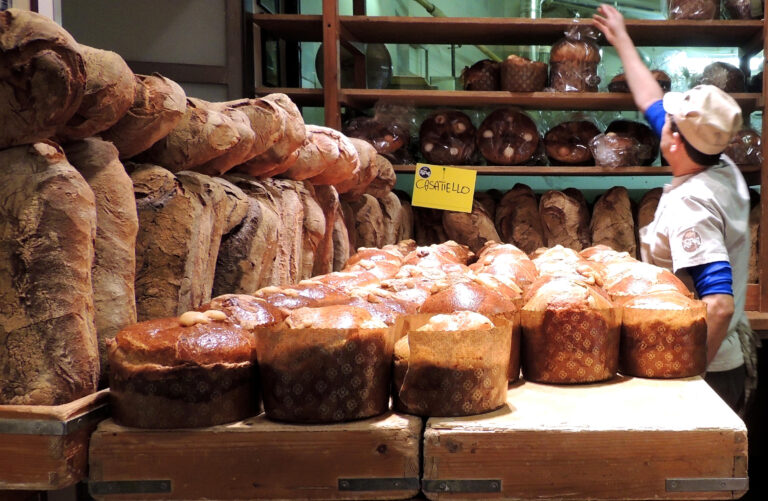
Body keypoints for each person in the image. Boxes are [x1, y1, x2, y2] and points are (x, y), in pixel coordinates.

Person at [593, 4, 758, 415]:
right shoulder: (720, 162)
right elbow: (651, 101)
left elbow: (718, 304)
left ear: (675, 142)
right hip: (728, 357)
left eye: (667, 122)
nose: (660, 121)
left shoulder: (692, 204)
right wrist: (621, 39)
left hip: (708, 369)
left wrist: (689, 377)